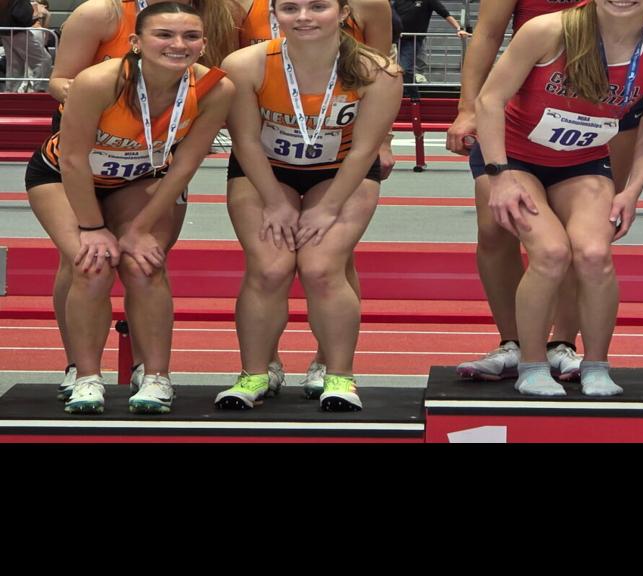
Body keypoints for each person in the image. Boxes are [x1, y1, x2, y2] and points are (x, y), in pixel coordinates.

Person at [448, 0, 643, 385]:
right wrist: (500, 175)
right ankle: (528, 359)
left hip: (583, 159)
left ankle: (590, 362)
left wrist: (633, 192)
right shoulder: (546, 30)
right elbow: (490, 94)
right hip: (515, 155)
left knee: (592, 251)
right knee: (549, 250)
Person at [27, 1, 234, 414]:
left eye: (190, 37)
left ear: (203, 43)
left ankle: (156, 377)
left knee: (145, 263)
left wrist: (139, 228)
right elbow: (72, 159)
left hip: (144, 179)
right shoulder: (99, 81)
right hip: (64, 175)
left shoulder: (215, 88)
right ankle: (84, 376)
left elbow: (186, 166)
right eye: (164, 35)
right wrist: (91, 227)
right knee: (92, 263)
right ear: (137, 42)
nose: (178, 45)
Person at [214, 0, 401, 412]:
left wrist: (329, 208)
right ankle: (255, 373)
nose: (303, 17)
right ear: (275, 13)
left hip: (340, 174)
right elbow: (244, 142)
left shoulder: (378, 71)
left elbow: (365, 150)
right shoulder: (245, 65)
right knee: (270, 267)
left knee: (320, 268)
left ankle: (338, 375)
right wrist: (274, 202)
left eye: (318, 6)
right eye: (291, 7)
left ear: (343, 11)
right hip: (265, 170)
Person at [391, 0, 467, 81]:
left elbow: (445, 14)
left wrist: (459, 29)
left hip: (412, 40)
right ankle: (410, 92)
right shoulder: (398, 1)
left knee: (405, 69)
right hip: (395, 39)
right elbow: (391, 15)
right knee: (397, 69)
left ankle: (411, 92)